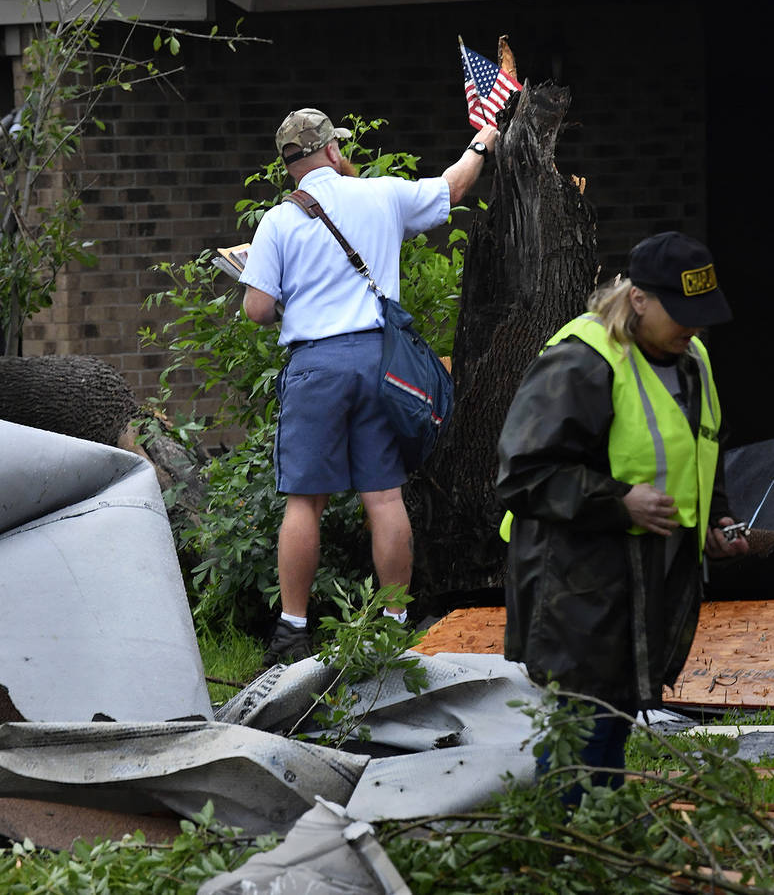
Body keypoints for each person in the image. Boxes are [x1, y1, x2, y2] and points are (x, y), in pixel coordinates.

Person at [495, 231, 749, 803]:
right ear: (638, 300)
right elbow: (522, 474)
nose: (694, 328)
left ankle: (598, 834)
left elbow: (705, 443)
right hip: (576, 579)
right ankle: (558, 845)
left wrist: (717, 518)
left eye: (701, 316)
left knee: (613, 717)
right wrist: (619, 500)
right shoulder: (580, 361)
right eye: (681, 315)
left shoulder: (691, 359)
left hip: (644, 575)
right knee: (580, 721)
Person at [241, 107, 499, 664]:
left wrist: (294, 293)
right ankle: (394, 625)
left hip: (315, 368)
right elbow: (451, 189)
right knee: (383, 496)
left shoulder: (279, 222)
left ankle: (291, 631)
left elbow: (257, 308)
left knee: (305, 502)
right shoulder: (380, 195)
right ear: (333, 150)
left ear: (290, 167)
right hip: (380, 363)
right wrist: (481, 143)